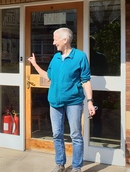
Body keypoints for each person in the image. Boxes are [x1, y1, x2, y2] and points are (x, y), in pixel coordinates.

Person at [28, 28, 95, 172]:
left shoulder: (80, 57)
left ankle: (76, 167)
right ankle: (60, 164)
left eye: (55, 39)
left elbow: (86, 81)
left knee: (75, 135)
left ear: (65, 40)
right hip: (55, 102)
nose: (53, 43)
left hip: (73, 102)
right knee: (57, 134)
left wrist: (90, 101)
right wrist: (34, 64)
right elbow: (48, 76)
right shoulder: (56, 58)